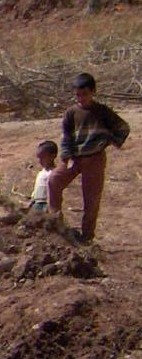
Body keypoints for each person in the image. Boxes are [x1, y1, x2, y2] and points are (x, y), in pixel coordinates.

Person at [48, 72, 129, 240]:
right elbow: (66, 137)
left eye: (84, 94)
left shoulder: (102, 111)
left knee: (91, 200)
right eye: (77, 95)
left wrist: (111, 140)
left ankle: (87, 237)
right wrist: (67, 157)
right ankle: (55, 223)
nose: (81, 98)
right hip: (75, 158)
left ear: (93, 92)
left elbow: (123, 127)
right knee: (54, 180)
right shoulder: (71, 113)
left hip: (95, 159)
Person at [30, 140, 59, 213]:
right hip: (36, 203)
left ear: (53, 156)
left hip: (46, 204)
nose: (40, 160)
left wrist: (50, 206)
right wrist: (31, 202)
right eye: (38, 157)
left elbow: (55, 192)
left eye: (42, 157)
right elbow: (36, 190)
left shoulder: (54, 173)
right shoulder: (41, 173)